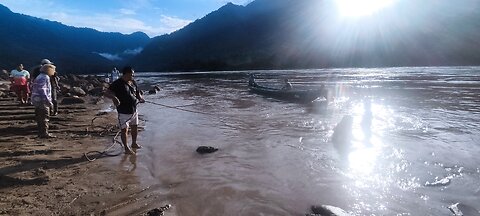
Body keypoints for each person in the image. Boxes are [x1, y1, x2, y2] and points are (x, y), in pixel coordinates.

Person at [105, 66, 145, 154]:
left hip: (134, 110)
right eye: (131, 75)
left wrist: (140, 98)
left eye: (133, 75)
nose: (133, 76)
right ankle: (126, 148)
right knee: (124, 130)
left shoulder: (133, 82)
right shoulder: (117, 83)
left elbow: (137, 93)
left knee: (135, 126)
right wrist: (114, 98)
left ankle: (134, 143)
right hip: (123, 111)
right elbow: (107, 93)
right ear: (126, 74)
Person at [31, 63, 56, 138]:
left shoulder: (40, 76)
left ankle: (41, 132)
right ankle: (44, 133)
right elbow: (42, 90)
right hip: (41, 100)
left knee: (39, 116)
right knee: (44, 116)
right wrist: (48, 101)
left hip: (37, 99)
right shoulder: (44, 77)